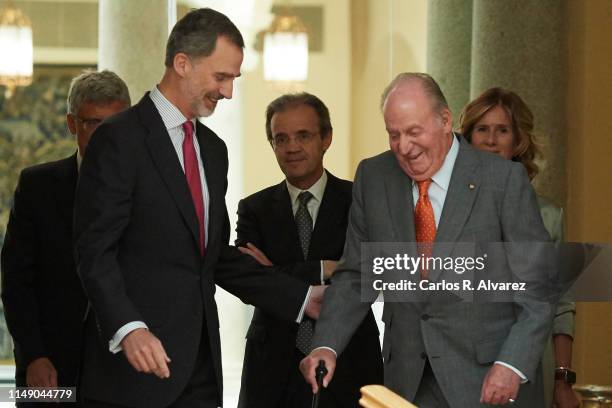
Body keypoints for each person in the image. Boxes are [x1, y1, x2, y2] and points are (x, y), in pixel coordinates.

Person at [73, 9, 322, 408]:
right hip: (134, 375)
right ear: (182, 64)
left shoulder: (213, 150)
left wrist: (301, 297)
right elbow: (94, 251)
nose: (228, 92)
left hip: (201, 373)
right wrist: (128, 327)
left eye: (233, 80)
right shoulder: (119, 140)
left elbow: (213, 257)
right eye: (221, 77)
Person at [300, 73, 556, 407]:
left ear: (445, 121)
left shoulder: (502, 180)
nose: (404, 146)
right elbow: (357, 274)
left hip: (487, 379)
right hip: (408, 380)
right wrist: (326, 344)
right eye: (394, 134)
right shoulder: (373, 177)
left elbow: (538, 285)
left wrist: (512, 363)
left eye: (414, 132)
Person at [235, 93, 383, 408]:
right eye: (281, 138)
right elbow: (248, 282)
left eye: (303, 135)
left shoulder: (359, 200)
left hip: (350, 355)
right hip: (272, 363)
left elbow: (371, 270)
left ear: (326, 138)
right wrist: (325, 268)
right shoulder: (254, 209)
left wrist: (274, 273)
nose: (292, 147)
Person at [1, 70, 130, 407]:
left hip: (125, 371)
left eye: (114, 125)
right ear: (72, 124)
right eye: (93, 124)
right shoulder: (37, 186)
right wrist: (33, 355)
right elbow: (16, 281)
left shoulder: (150, 191)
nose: (105, 137)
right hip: (48, 368)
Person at [459, 87, 579, 408]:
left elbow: (562, 303)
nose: (491, 140)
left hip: (524, 365)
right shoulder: (448, 208)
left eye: (502, 130)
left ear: (518, 141)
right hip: (459, 364)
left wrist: (563, 378)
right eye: (481, 130)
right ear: (468, 138)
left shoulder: (548, 215)